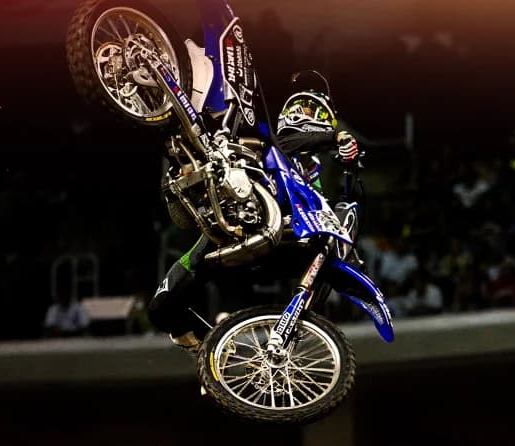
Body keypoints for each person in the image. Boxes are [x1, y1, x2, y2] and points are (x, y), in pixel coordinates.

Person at [148, 86, 362, 355]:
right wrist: (334, 137)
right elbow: (285, 142)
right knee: (160, 309)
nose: (300, 113)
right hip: (230, 235)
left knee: (340, 237)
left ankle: (304, 321)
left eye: (307, 109)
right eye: (298, 107)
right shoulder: (270, 142)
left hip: (289, 240)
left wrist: (348, 163)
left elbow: (344, 203)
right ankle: (210, 353)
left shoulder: (313, 163)